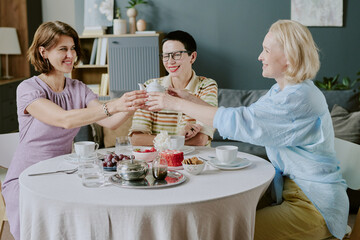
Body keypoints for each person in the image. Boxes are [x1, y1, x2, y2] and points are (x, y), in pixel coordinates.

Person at [146, 20, 349, 239]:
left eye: (266, 50)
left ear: (289, 58)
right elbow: (242, 116)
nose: (260, 56)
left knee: (228, 232)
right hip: (291, 192)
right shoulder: (280, 91)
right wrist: (191, 99)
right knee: (220, 215)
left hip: (314, 205)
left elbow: (243, 123)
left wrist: (175, 104)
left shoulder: (299, 98)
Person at [2, 21, 147, 240]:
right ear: (43, 52)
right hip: (27, 178)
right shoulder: (29, 89)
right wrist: (115, 104)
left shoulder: (78, 88)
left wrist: (132, 104)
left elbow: (111, 122)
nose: (71, 55)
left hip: (63, 173)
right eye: (63, 49)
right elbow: (64, 120)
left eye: (73, 49)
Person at [129, 30, 218, 146]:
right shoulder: (151, 86)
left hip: (195, 161)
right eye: (165, 56)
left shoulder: (206, 86)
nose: (170, 61)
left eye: (177, 55)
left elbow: (201, 140)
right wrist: (178, 137)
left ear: (192, 57)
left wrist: (163, 141)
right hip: (159, 161)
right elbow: (136, 139)